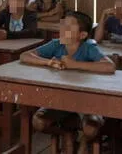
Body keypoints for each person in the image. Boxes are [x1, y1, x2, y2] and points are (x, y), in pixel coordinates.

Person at [20, 11, 115, 154]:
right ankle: (66, 133)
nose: (63, 29)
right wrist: (48, 62)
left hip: (86, 100)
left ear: (82, 35)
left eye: (69, 27)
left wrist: (74, 64)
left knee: (90, 129)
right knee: (38, 122)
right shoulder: (56, 44)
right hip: (59, 100)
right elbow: (25, 56)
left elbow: (109, 66)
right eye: (63, 24)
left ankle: (83, 140)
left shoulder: (88, 47)